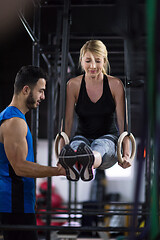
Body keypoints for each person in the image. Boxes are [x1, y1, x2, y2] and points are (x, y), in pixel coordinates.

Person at [0, 65, 65, 240]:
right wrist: (57, 170)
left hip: (18, 205)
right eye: (40, 91)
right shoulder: (14, 122)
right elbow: (20, 167)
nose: (43, 96)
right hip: (14, 206)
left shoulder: (12, 118)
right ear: (26, 89)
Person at [59, 40, 131, 182]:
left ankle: (86, 163)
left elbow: (123, 122)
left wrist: (126, 154)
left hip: (108, 139)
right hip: (82, 137)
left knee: (99, 146)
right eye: (88, 60)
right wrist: (61, 154)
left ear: (104, 61)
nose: (92, 66)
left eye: (98, 61)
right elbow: (67, 122)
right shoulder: (73, 85)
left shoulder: (115, 84)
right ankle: (77, 164)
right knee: (76, 146)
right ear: (81, 61)